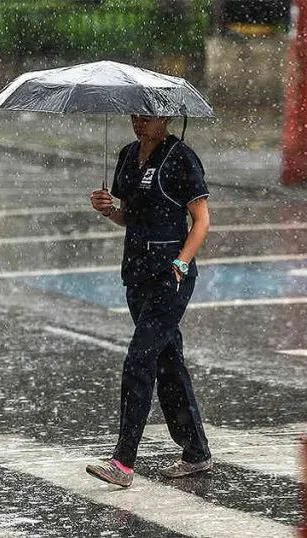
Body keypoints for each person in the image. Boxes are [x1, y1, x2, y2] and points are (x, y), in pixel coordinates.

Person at [85, 114, 212, 487]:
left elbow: (202, 220)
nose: (139, 124)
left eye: (148, 118)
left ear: (167, 117)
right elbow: (132, 217)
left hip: (170, 278)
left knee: (139, 360)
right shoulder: (126, 155)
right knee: (168, 362)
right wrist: (108, 209)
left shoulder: (180, 157)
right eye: (135, 116)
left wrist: (181, 261)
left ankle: (123, 461)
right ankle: (196, 451)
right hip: (136, 274)